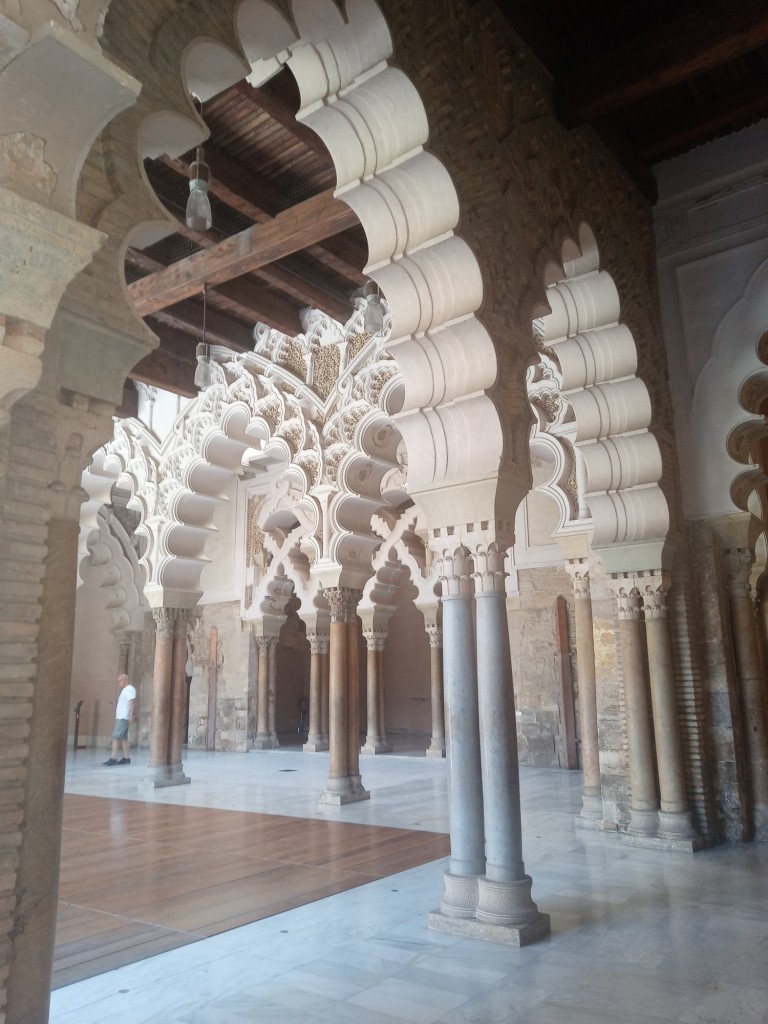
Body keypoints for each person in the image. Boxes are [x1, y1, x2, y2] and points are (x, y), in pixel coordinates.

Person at [104, 674, 136, 766]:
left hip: (123, 717)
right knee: (123, 738)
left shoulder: (130, 689)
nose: (118, 683)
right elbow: (125, 702)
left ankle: (113, 758)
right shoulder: (124, 690)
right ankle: (127, 758)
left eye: (120, 681)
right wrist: (115, 703)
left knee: (116, 737)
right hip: (121, 717)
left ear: (125, 680)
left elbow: (131, 703)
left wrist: (131, 714)